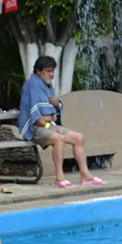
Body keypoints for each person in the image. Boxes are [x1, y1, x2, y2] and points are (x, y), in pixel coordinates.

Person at [18, 56, 106, 189]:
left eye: (52, 71)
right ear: (38, 71)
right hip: (35, 128)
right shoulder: (32, 85)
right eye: (48, 71)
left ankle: (85, 175)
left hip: (50, 125)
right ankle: (59, 178)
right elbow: (35, 117)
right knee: (59, 139)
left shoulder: (48, 85)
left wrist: (58, 105)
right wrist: (49, 126)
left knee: (79, 138)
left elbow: (55, 107)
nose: (51, 74)